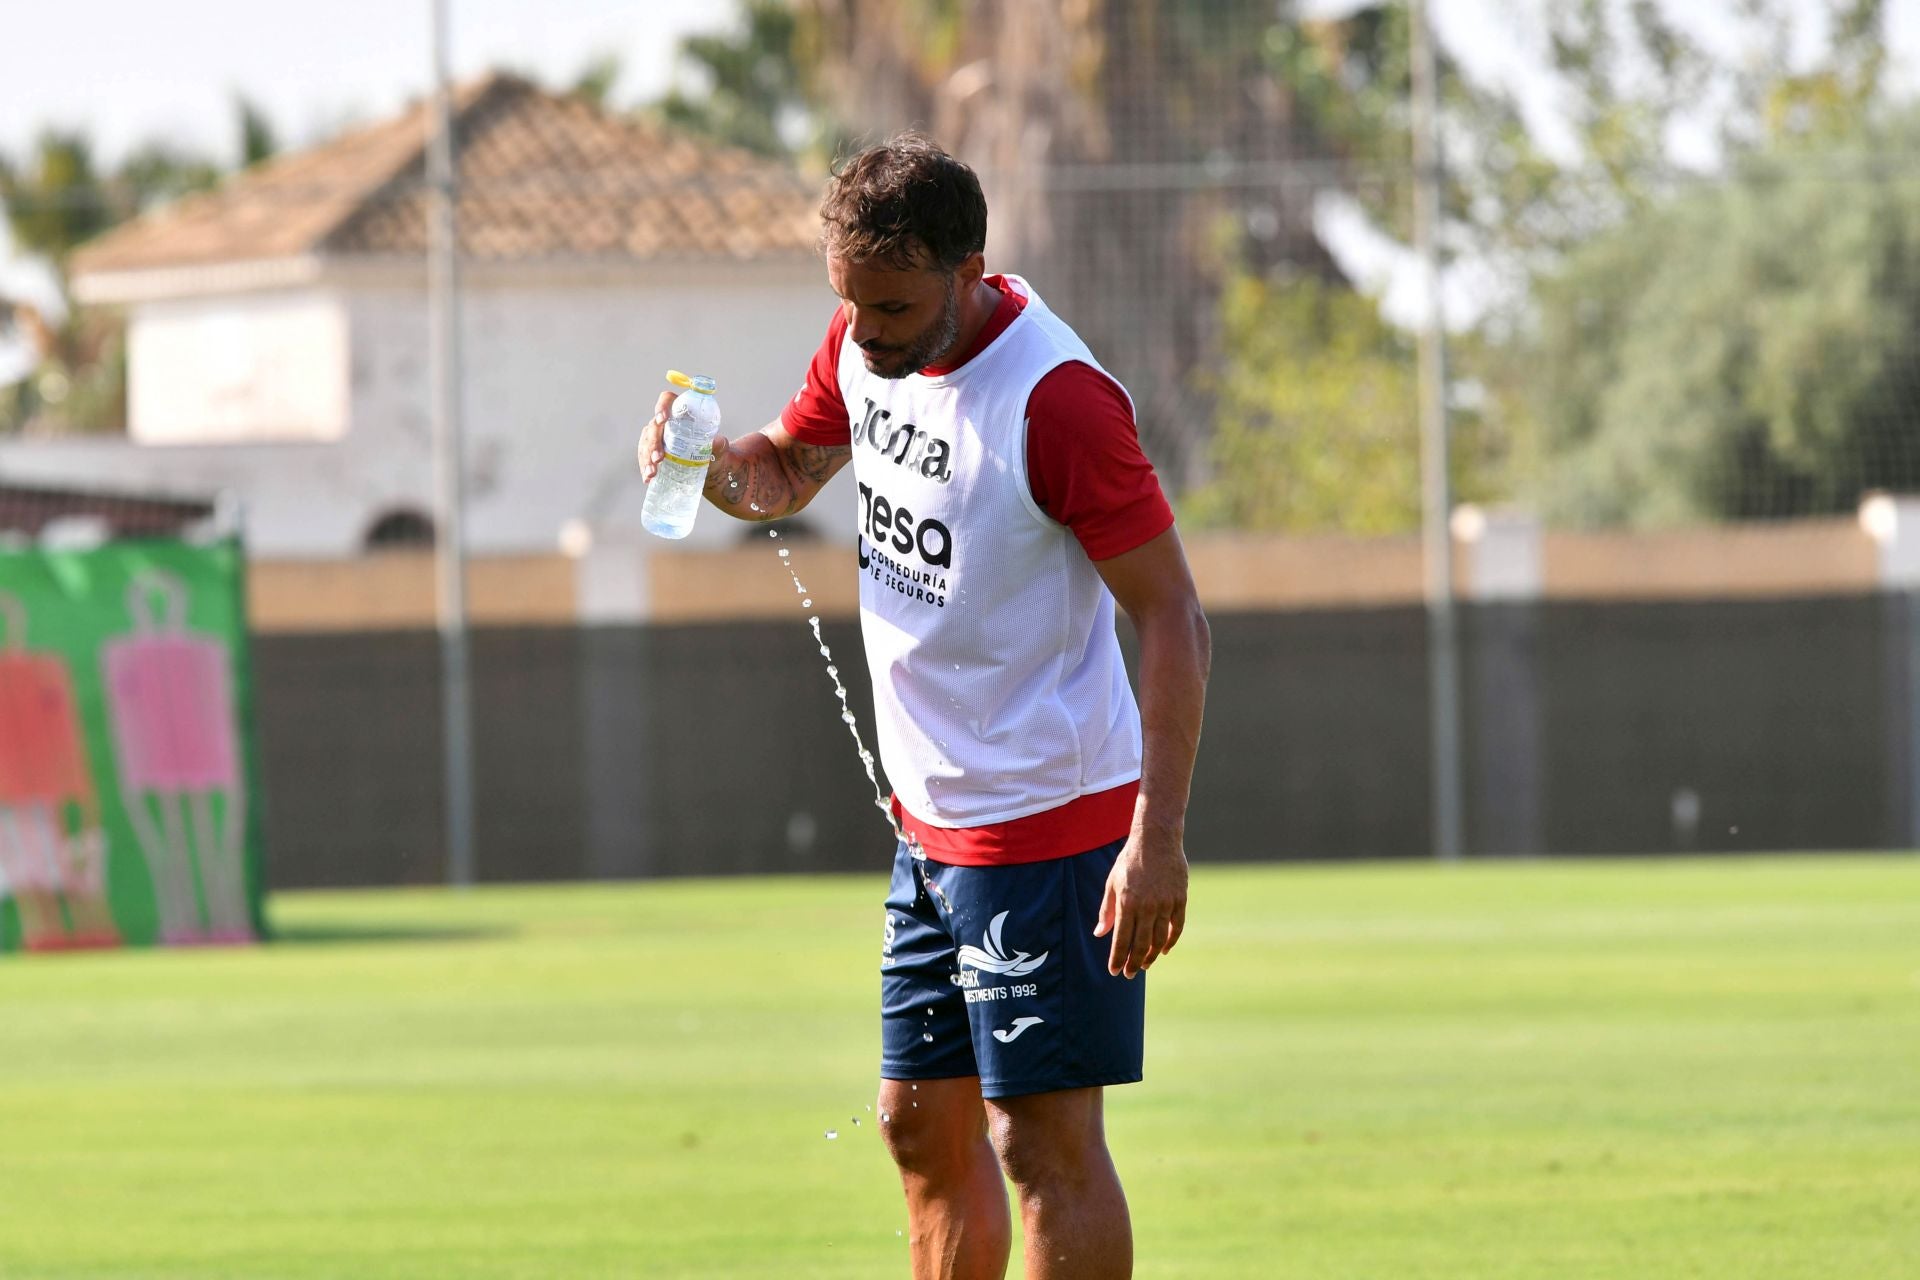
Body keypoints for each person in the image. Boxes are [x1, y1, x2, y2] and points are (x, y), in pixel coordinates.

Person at [638, 134, 1211, 1280]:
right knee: (915, 1123)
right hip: (932, 828)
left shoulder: (1058, 403)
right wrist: (706, 469)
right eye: (852, 303)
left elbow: (1173, 619)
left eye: (895, 307)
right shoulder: (864, 344)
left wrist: (1156, 838)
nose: (870, 332)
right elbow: (787, 471)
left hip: (1048, 823)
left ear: (970, 268)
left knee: (1041, 1143)